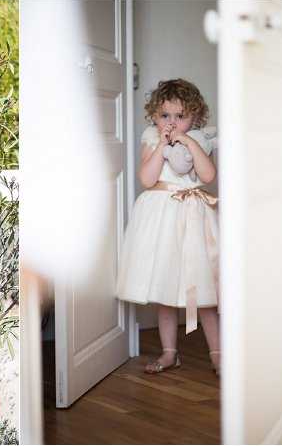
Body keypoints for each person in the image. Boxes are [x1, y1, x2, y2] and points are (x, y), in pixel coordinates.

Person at [116, 79, 220, 376]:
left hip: (194, 216)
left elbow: (208, 175)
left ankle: (217, 354)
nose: (172, 123)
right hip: (161, 215)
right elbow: (147, 180)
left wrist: (189, 142)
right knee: (164, 288)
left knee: (203, 290)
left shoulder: (202, 137)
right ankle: (169, 353)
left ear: (195, 116)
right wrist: (163, 144)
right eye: (165, 116)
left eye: (180, 116)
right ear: (154, 116)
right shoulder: (152, 137)